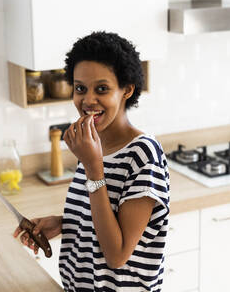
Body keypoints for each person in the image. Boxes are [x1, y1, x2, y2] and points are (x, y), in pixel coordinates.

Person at [14, 31, 170, 291]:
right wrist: (66, 222)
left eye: (102, 89)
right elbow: (105, 215)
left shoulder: (143, 155)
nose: (87, 100)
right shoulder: (94, 146)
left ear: (127, 90)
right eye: (80, 88)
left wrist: (93, 169)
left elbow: (117, 255)